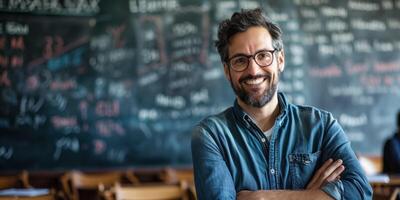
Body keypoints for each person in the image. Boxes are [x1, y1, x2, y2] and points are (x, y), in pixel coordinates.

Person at [191, 8, 372, 200]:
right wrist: (311, 195)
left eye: (263, 55)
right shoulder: (211, 136)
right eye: (240, 60)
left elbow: (360, 192)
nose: (253, 70)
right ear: (227, 71)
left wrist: (262, 197)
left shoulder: (321, 125)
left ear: (280, 59)